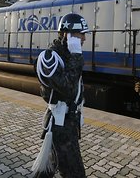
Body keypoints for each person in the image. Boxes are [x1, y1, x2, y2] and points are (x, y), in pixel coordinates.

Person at [31, 13, 88, 178]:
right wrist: (77, 55)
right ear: (67, 34)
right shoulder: (50, 57)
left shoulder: (68, 55)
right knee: (75, 173)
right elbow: (68, 88)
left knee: (47, 170)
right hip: (59, 125)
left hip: (68, 122)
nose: (84, 38)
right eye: (80, 34)